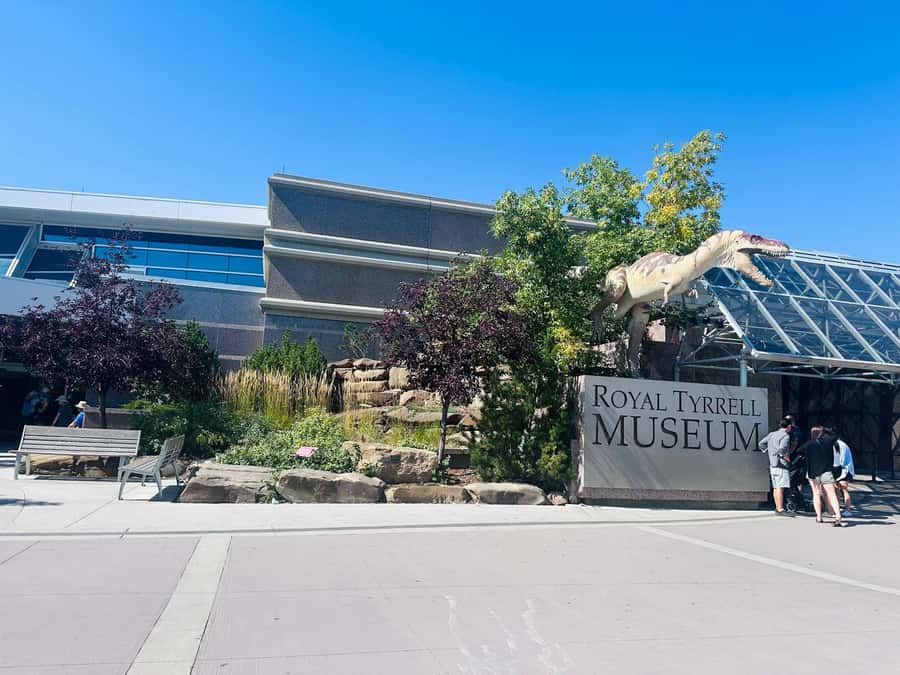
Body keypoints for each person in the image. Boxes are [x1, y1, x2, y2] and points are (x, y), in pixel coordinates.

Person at [798, 426, 845, 527]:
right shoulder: (828, 442)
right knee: (831, 494)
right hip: (826, 472)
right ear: (822, 433)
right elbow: (836, 435)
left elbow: (799, 451)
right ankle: (838, 515)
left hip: (813, 473)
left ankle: (819, 517)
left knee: (816, 494)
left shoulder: (809, 444)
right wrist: (825, 429)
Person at [759, 418, 793, 514]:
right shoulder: (785, 436)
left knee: (775, 487)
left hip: (772, 464)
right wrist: (785, 457)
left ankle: (777, 507)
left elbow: (761, 443)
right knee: (780, 487)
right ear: (789, 426)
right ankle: (780, 508)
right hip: (781, 464)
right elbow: (782, 449)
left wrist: (767, 450)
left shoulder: (772, 434)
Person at [833, 430, 855, 516]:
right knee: (840, 490)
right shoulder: (842, 444)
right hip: (845, 469)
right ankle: (841, 509)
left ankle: (847, 510)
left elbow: (841, 460)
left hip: (844, 470)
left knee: (843, 489)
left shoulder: (839, 445)